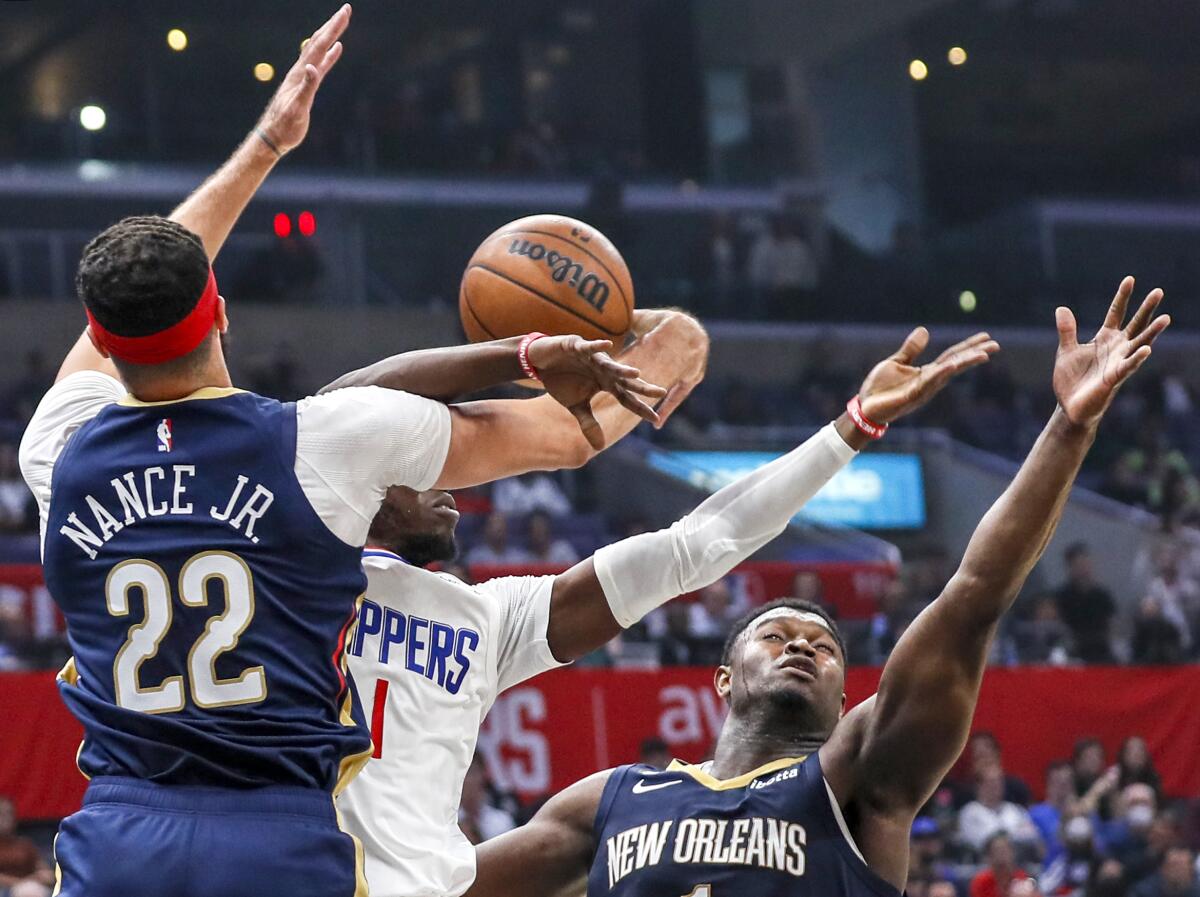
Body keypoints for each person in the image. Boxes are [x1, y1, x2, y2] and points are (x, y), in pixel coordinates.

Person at [17, 9, 673, 897]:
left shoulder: (60, 446)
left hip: (122, 831)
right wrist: (642, 348)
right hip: (277, 834)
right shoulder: (322, 441)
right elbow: (560, 436)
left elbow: (134, 308)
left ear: (102, 342)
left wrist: (264, 146)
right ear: (221, 313)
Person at [464, 279, 1169, 897]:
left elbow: (974, 596)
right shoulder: (611, 801)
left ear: (844, 696)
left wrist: (1069, 427)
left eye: (824, 646)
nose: (801, 644)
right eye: (774, 635)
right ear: (722, 677)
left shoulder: (858, 778)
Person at [338, 323, 1000, 897]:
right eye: (422, 462)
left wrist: (850, 428)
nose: (449, 477)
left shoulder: (487, 616)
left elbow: (699, 542)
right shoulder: (299, 570)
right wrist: (524, 352)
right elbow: (342, 413)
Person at [957, 766, 1042, 856]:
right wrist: (1013, 834)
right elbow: (980, 841)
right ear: (979, 786)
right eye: (991, 782)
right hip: (983, 863)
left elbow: (1031, 835)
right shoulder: (970, 812)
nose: (996, 786)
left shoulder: (1015, 809)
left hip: (1016, 861)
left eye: (999, 782)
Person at [1054, 544, 1117, 663]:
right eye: (1078, 565)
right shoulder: (1061, 596)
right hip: (1073, 649)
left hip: (1101, 650)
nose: (1083, 569)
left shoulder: (1102, 595)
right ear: (1070, 567)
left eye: (1085, 564)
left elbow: (1112, 624)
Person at [0, 795, 53, 897]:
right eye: (1, 814)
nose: (5, 819)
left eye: (8, 814)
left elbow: (45, 871)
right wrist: (22, 882)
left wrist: (44, 875)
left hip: (30, 888)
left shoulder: (24, 844)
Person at [1030, 761, 1076, 864]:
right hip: (1050, 871)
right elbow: (1041, 853)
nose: (1063, 787)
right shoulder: (1036, 814)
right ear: (1048, 784)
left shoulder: (1082, 811)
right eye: (1059, 782)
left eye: (1067, 782)